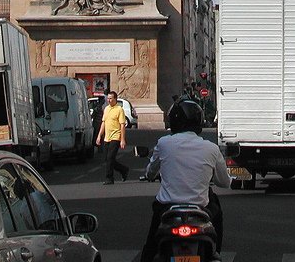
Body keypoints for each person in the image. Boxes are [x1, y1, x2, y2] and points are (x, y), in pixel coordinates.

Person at [139, 99, 231, 262]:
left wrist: (150, 175)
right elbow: (224, 182)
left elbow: (151, 172)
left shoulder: (164, 143)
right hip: (201, 209)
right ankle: (216, 251)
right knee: (217, 212)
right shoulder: (211, 148)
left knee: (151, 246)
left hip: (167, 208)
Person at [94, 90, 129, 184]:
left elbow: (122, 125)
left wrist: (122, 139)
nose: (108, 100)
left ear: (115, 99)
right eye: (108, 98)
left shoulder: (119, 109)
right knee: (107, 159)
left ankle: (109, 178)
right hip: (107, 137)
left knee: (110, 158)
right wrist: (99, 136)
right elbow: (103, 123)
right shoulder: (106, 109)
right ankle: (123, 169)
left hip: (116, 137)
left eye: (110, 98)